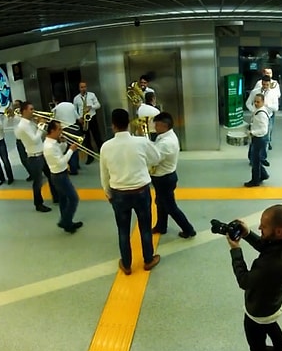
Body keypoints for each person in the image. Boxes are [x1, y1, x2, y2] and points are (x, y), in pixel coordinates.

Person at [227, 204, 282, 351]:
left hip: (259, 309)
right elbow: (269, 246)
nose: (259, 227)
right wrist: (247, 234)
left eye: (264, 226)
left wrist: (235, 250)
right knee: (271, 325)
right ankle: (281, 350)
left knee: (254, 334)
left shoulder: (270, 265)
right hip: (275, 302)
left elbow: (244, 281)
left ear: (279, 231)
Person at [99, 108, 161, 276]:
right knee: (145, 227)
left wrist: (108, 193)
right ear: (129, 123)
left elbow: (104, 174)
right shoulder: (141, 142)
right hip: (141, 191)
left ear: (112, 126)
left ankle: (126, 265)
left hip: (119, 193)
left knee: (123, 230)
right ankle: (148, 260)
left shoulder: (106, 147)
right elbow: (156, 158)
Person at [150, 112, 196, 239]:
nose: (155, 127)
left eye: (157, 125)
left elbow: (153, 160)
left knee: (170, 207)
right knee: (160, 202)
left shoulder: (166, 142)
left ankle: (189, 230)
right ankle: (161, 226)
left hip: (164, 179)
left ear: (164, 126)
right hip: (164, 177)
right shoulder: (165, 136)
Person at [14, 101, 57, 212]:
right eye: (31, 109)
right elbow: (34, 139)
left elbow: (40, 135)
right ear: (24, 111)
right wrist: (41, 125)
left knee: (51, 176)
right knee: (38, 182)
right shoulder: (23, 126)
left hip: (41, 153)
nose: (34, 111)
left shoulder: (30, 122)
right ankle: (38, 204)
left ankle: (56, 197)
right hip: (34, 157)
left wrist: (40, 124)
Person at [43, 120, 82, 233]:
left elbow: (60, 152)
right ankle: (65, 221)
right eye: (59, 129)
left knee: (63, 200)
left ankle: (67, 223)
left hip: (59, 174)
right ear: (52, 131)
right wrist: (71, 150)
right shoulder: (49, 146)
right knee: (74, 198)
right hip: (59, 175)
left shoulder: (53, 142)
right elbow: (61, 162)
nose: (61, 131)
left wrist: (64, 144)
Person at [246, 76, 279, 167]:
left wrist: (266, 105)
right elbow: (248, 103)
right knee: (253, 138)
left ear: (270, 84)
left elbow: (276, 108)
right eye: (263, 84)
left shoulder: (273, 93)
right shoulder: (255, 92)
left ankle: (262, 158)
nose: (265, 86)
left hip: (268, 117)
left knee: (266, 139)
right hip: (256, 116)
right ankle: (252, 158)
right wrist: (254, 110)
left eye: (267, 85)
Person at [72, 81, 103, 164]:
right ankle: (90, 156)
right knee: (87, 139)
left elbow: (98, 105)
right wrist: (79, 118)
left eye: (85, 87)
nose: (83, 89)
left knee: (97, 136)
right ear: (79, 88)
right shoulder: (76, 98)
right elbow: (74, 110)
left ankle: (102, 153)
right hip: (83, 120)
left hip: (92, 117)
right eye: (82, 87)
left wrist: (91, 107)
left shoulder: (92, 95)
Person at [245, 93, 270, 187]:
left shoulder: (261, 114)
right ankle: (263, 175)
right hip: (258, 138)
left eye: (258, 102)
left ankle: (255, 181)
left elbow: (264, 130)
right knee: (256, 159)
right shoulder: (259, 110)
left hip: (260, 139)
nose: (255, 103)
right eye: (254, 101)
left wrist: (253, 132)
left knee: (255, 160)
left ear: (263, 102)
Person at [252, 70, 281, 151]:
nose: (265, 86)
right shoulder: (258, 83)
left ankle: (266, 147)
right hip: (258, 114)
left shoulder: (275, 84)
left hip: (269, 114)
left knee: (268, 132)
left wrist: (269, 101)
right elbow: (254, 95)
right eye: (266, 72)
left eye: (269, 73)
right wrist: (253, 109)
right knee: (258, 132)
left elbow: (278, 96)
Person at [52, 96, 81, 174]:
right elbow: (78, 117)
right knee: (74, 147)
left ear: (55, 101)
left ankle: (73, 169)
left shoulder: (56, 108)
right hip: (74, 128)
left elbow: (54, 120)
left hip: (65, 129)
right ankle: (77, 165)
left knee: (69, 149)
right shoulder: (71, 105)